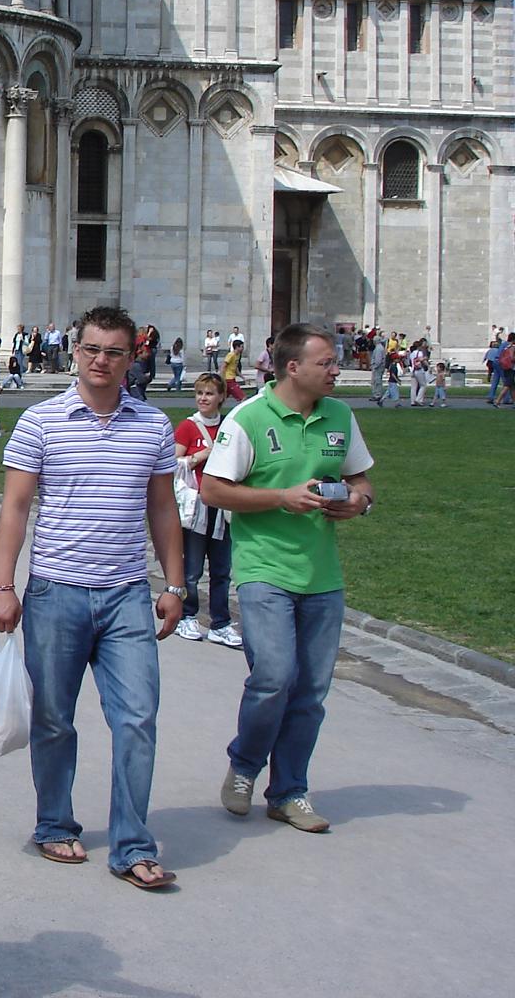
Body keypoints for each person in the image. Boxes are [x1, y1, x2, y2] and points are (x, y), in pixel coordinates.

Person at [0, 306, 185, 889]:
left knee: (138, 719)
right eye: (92, 349)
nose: (102, 361)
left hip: (127, 594)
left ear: (132, 358)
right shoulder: (40, 422)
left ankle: (132, 845)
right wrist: (3, 587)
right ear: (75, 352)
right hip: (57, 591)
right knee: (54, 719)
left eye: (114, 352)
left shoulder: (152, 426)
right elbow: (15, 509)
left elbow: (163, 510)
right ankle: (54, 823)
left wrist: (175, 585)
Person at [202, 324, 376, 834]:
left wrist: (360, 502)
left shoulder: (339, 415)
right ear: (293, 367)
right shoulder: (249, 418)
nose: (337, 370)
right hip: (264, 570)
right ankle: (244, 765)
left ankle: (289, 792)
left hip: (322, 575)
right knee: (274, 677)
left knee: (311, 691)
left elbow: (361, 479)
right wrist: (282, 497)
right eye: (327, 363)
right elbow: (213, 489)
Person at [173, 374, 242, 648]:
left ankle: (220, 623)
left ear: (221, 397)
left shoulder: (230, 427)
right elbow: (174, 463)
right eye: (200, 393)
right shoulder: (189, 427)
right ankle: (187, 615)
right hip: (196, 507)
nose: (203, 398)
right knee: (192, 569)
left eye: (209, 393)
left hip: (222, 507)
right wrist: (200, 456)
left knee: (221, 570)